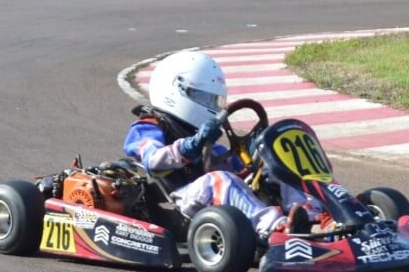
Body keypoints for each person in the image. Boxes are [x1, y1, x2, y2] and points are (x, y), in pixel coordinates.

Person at [124, 50, 320, 237]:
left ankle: (313, 216)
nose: (211, 106)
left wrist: (257, 158)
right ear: (176, 90)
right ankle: (277, 228)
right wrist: (191, 146)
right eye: (203, 98)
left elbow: (239, 170)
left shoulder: (202, 137)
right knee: (220, 180)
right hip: (179, 199)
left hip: (208, 195)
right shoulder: (148, 127)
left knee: (277, 170)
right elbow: (153, 161)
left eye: (214, 100)